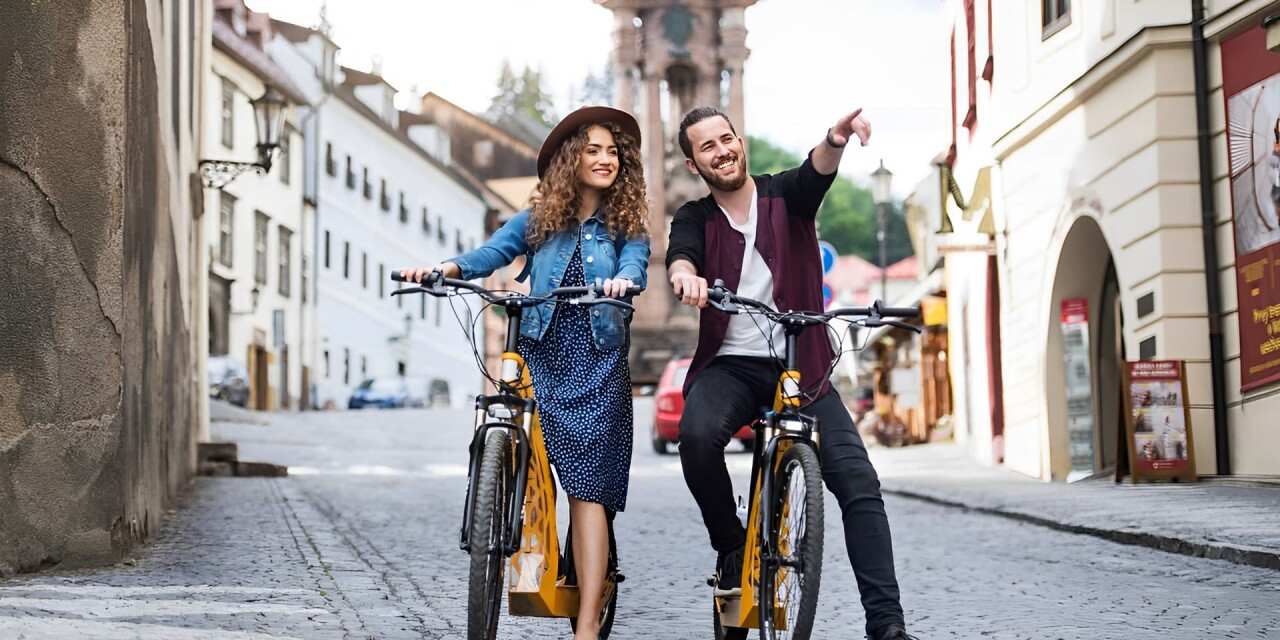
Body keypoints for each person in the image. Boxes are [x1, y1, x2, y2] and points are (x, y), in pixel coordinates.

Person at [665, 105, 916, 640]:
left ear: (740, 141)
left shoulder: (785, 195)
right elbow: (681, 256)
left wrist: (836, 137)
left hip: (801, 363)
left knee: (859, 482)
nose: (722, 150)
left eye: (726, 138)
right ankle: (731, 545)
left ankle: (887, 625)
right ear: (694, 163)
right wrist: (686, 277)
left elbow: (816, 170)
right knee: (696, 437)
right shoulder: (696, 216)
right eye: (707, 146)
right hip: (729, 365)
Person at [399, 106, 649, 640]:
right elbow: (491, 253)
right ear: (570, 159)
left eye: (612, 152)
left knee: (587, 490)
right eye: (592, 149)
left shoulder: (626, 226)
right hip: (541, 350)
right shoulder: (537, 221)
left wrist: (622, 283)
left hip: (598, 361)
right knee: (521, 439)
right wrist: (443, 270)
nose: (604, 159)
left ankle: (585, 626)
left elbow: (635, 265)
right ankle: (505, 502)